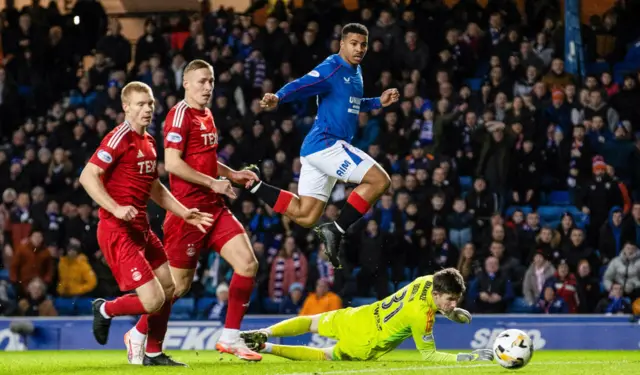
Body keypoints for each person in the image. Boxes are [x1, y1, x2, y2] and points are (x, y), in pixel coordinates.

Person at [127, 60, 262, 362]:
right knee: (177, 288)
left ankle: (229, 337)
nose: (208, 87)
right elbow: (173, 163)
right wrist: (213, 183)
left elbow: (205, 160)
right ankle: (137, 332)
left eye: (211, 81)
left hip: (214, 209)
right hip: (187, 213)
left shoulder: (207, 115)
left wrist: (232, 175)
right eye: (201, 81)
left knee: (248, 263)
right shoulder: (179, 116)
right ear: (186, 83)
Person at [79, 81, 213, 367]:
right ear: (125, 107)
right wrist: (115, 207)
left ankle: (153, 352)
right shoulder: (119, 138)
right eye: (140, 104)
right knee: (152, 301)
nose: (147, 109)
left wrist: (183, 211)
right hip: (117, 230)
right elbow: (88, 176)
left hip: (142, 228)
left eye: (150, 103)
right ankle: (105, 309)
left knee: (172, 288)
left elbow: (156, 188)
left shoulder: (149, 142)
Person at [247, 23, 400, 268]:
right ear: (342, 44)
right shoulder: (332, 67)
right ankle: (336, 230)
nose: (359, 48)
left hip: (314, 151)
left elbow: (352, 103)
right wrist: (278, 97)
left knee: (306, 216)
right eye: (353, 43)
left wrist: (378, 102)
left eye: (363, 44)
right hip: (327, 145)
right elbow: (303, 84)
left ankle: (254, 186)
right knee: (380, 181)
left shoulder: (355, 71)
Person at [240, 268, 493, 363]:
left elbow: (431, 301)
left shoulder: (427, 280)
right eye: (450, 299)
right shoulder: (422, 316)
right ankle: (267, 347)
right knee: (325, 355)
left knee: (311, 323)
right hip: (367, 341)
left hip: (360, 315)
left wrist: (449, 311)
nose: (453, 303)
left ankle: (266, 332)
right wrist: (467, 357)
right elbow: (429, 355)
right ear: (438, 294)